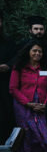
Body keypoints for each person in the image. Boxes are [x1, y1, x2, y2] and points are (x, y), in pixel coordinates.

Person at [9, 39, 47, 152]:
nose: (37, 53)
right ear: (28, 51)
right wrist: (28, 103)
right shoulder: (19, 67)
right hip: (23, 106)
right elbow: (13, 88)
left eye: (40, 51)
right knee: (29, 134)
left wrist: (45, 104)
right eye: (34, 50)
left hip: (42, 106)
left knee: (45, 134)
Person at [0, 13, 16, 142]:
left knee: (5, 113)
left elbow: (16, 58)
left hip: (4, 82)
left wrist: (8, 65)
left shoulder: (8, 41)